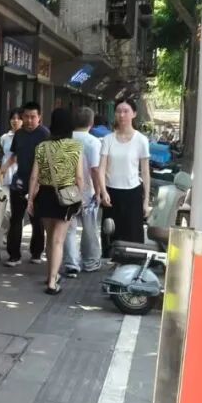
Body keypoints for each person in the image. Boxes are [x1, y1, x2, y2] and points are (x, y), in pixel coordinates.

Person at [28, 108, 84, 294]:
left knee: (50, 238)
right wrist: (80, 197)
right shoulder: (75, 146)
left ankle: (50, 274)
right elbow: (79, 177)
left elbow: (34, 176)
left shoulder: (42, 147)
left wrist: (30, 199)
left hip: (45, 194)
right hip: (65, 195)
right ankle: (53, 281)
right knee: (59, 240)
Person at [0, 101, 50, 266]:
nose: (29, 120)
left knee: (37, 220)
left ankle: (36, 252)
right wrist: (4, 168)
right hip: (19, 182)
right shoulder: (19, 134)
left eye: (32, 117)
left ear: (39, 117)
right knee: (16, 218)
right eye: (26, 117)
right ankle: (14, 255)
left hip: (39, 184)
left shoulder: (45, 135)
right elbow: (14, 155)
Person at [99, 99, 151, 245]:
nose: (122, 115)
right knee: (110, 233)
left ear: (134, 114)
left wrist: (146, 200)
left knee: (132, 235)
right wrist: (103, 192)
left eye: (126, 111)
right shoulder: (108, 139)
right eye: (118, 111)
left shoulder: (141, 140)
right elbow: (101, 168)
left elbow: (145, 172)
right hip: (111, 193)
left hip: (132, 193)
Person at [63, 106, 102, 277]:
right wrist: (99, 192)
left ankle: (71, 263)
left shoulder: (65, 139)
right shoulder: (94, 142)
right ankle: (90, 261)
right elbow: (95, 169)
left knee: (69, 227)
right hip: (87, 190)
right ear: (91, 123)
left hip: (67, 188)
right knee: (89, 228)